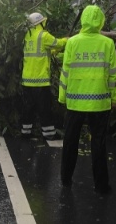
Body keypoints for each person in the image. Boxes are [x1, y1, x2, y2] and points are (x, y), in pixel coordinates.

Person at [58, 5, 116, 194]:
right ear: (100, 20)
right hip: (100, 102)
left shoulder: (73, 42)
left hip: (75, 101)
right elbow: (113, 73)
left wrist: (62, 96)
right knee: (98, 143)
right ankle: (101, 186)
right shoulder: (107, 43)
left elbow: (65, 71)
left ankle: (66, 179)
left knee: (70, 141)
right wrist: (114, 98)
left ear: (83, 20)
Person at [21, 12, 68, 140]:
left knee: (28, 109)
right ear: (41, 22)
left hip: (27, 81)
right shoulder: (44, 35)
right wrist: (67, 39)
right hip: (40, 81)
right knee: (45, 109)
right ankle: (49, 134)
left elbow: (43, 51)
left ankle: (25, 133)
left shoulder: (27, 36)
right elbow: (59, 43)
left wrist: (54, 50)